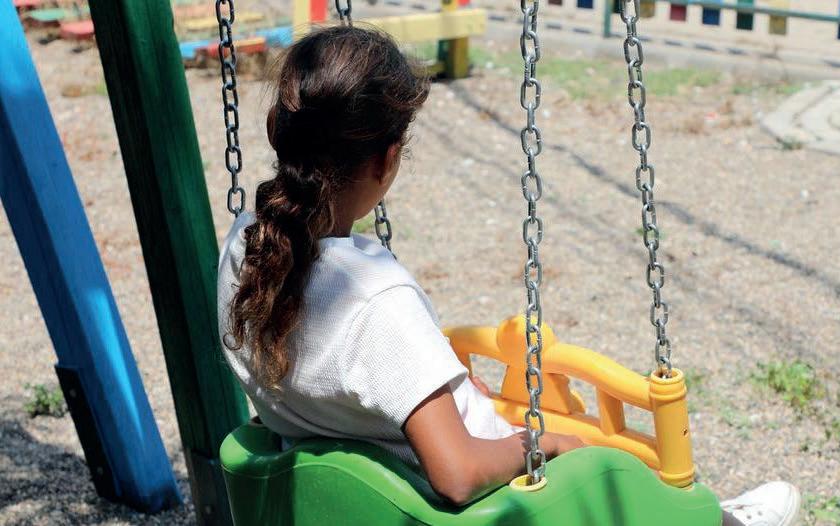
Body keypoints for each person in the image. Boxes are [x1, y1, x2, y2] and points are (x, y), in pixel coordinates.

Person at [217, 24, 804, 525]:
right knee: (613, 471)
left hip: (366, 483)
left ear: (277, 131)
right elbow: (456, 475)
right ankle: (722, 520)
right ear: (387, 159)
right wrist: (544, 444)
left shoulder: (248, 247)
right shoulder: (374, 300)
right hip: (481, 502)